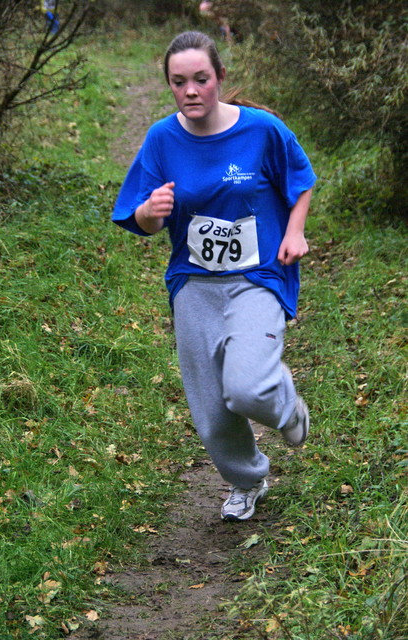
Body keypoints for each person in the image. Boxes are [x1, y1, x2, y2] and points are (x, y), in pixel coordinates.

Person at [112, 31, 316, 522]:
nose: (191, 91)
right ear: (169, 86)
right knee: (211, 407)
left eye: (201, 79)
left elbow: (302, 180)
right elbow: (140, 219)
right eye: (179, 82)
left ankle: (288, 408)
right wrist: (150, 212)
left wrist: (295, 233)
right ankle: (247, 481)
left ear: (219, 77)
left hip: (257, 275)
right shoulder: (162, 138)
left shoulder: (262, 130)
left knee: (247, 387)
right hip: (194, 284)